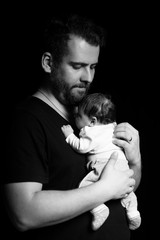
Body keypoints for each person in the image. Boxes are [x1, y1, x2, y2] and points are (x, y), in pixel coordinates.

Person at [2, 14, 141, 240]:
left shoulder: (89, 116)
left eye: (93, 67)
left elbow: (123, 187)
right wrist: (103, 189)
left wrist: (135, 160)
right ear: (49, 63)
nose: (87, 77)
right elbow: (23, 213)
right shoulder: (27, 120)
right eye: (77, 66)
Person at [61, 92, 141, 231]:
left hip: (104, 165)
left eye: (78, 115)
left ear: (92, 121)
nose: (75, 116)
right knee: (128, 190)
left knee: (85, 187)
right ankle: (133, 213)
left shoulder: (91, 132)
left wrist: (69, 136)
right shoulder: (112, 127)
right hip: (122, 165)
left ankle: (98, 209)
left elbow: (82, 147)